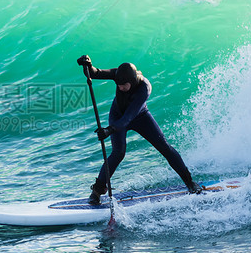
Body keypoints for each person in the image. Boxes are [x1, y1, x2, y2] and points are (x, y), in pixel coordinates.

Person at [77, 55, 203, 205]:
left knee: (165, 147)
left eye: (123, 85)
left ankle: (189, 182)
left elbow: (128, 117)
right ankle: (97, 191)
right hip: (117, 115)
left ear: (132, 82)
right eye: (118, 85)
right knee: (118, 153)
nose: (120, 88)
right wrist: (87, 65)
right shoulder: (119, 74)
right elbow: (95, 73)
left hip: (139, 116)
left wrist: (109, 130)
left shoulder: (144, 88)